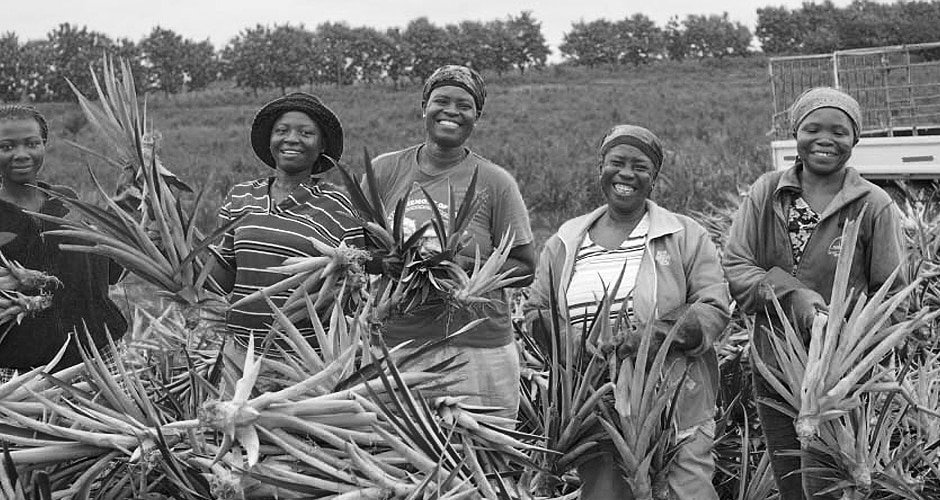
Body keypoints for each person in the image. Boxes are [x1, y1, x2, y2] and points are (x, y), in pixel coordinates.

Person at [524, 124, 729, 499]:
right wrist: (570, 345)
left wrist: (648, 338)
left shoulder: (684, 234)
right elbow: (536, 309)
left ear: (654, 179)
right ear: (600, 167)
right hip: (592, 398)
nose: (627, 174)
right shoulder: (567, 239)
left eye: (640, 167)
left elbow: (713, 307)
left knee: (685, 490)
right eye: (617, 162)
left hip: (673, 400)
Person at [722, 87, 906, 500]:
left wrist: (849, 342)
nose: (826, 139)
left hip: (840, 376)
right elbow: (736, 265)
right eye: (812, 128)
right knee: (791, 483)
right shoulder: (767, 192)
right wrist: (793, 297)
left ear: (855, 139)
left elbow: (892, 295)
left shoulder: (873, 204)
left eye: (840, 131)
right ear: (796, 134)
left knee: (829, 485)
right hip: (774, 364)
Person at [364, 65, 535, 419]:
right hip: (401, 341)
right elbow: (354, 249)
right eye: (441, 100)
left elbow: (526, 268)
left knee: (486, 460)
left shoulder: (495, 181)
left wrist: (463, 267)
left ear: (477, 117)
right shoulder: (384, 170)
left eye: (464, 105)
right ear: (423, 106)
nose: (452, 111)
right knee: (402, 459)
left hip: (479, 345)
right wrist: (386, 263)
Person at [213, 92, 364, 357]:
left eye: (306, 133)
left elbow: (352, 289)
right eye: (281, 131)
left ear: (321, 146)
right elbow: (223, 278)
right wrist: (176, 248)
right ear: (270, 140)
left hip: (306, 360)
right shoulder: (241, 195)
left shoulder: (340, 205)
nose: (291, 139)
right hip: (239, 353)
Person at [0, 105, 127, 380]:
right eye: (6, 146)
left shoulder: (66, 199)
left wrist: (131, 223)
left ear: (43, 144)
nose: (21, 154)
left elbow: (107, 271)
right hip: (19, 372)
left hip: (97, 355)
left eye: (32, 143)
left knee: (114, 425)